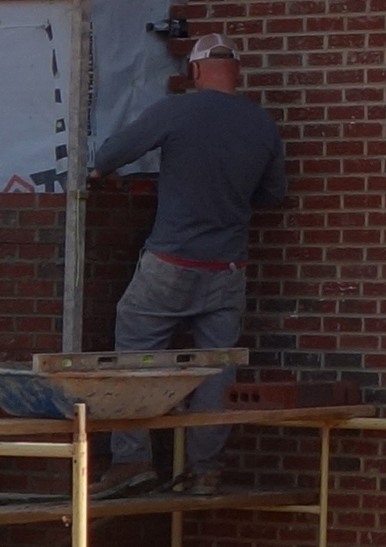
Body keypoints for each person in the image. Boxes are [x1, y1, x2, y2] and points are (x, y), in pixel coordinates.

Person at [86, 31, 289, 473]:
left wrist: (102, 172)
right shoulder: (261, 125)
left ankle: (132, 463)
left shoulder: (177, 110)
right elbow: (273, 193)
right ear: (237, 72)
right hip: (228, 268)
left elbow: (111, 155)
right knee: (217, 370)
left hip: (172, 261)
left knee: (137, 354)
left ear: (195, 70)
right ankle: (205, 471)